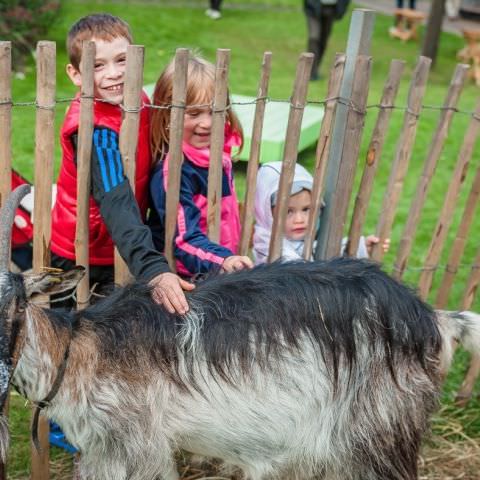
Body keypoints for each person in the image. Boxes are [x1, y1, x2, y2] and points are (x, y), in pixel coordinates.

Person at [50, 13, 193, 314]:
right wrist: (153, 268)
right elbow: (114, 198)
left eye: (121, 60)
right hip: (82, 255)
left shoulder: (138, 100)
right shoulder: (92, 130)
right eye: (98, 65)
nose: (114, 73)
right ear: (76, 74)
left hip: (123, 245)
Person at [148, 53, 253, 278]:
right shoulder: (175, 172)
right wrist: (223, 260)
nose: (206, 123)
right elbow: (184, 240)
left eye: (215, 112)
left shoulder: (216, 152)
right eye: (194, 113)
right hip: (190, 277)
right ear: (168, 116)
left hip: (220, 265)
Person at [253, 161, 390, 264]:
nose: (299, 219)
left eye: (306, 209)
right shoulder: (266, 243)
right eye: (288, 212)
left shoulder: (302, 237)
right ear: (267, 214)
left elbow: (323, 249)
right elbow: (294, 269)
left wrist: (360, 247)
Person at [303, 0, 351, 81]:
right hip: (313, 7)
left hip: (331, 8)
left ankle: (315, 69)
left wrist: (341, 9)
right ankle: (311, 71)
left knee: (323, 40)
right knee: (314, 38)